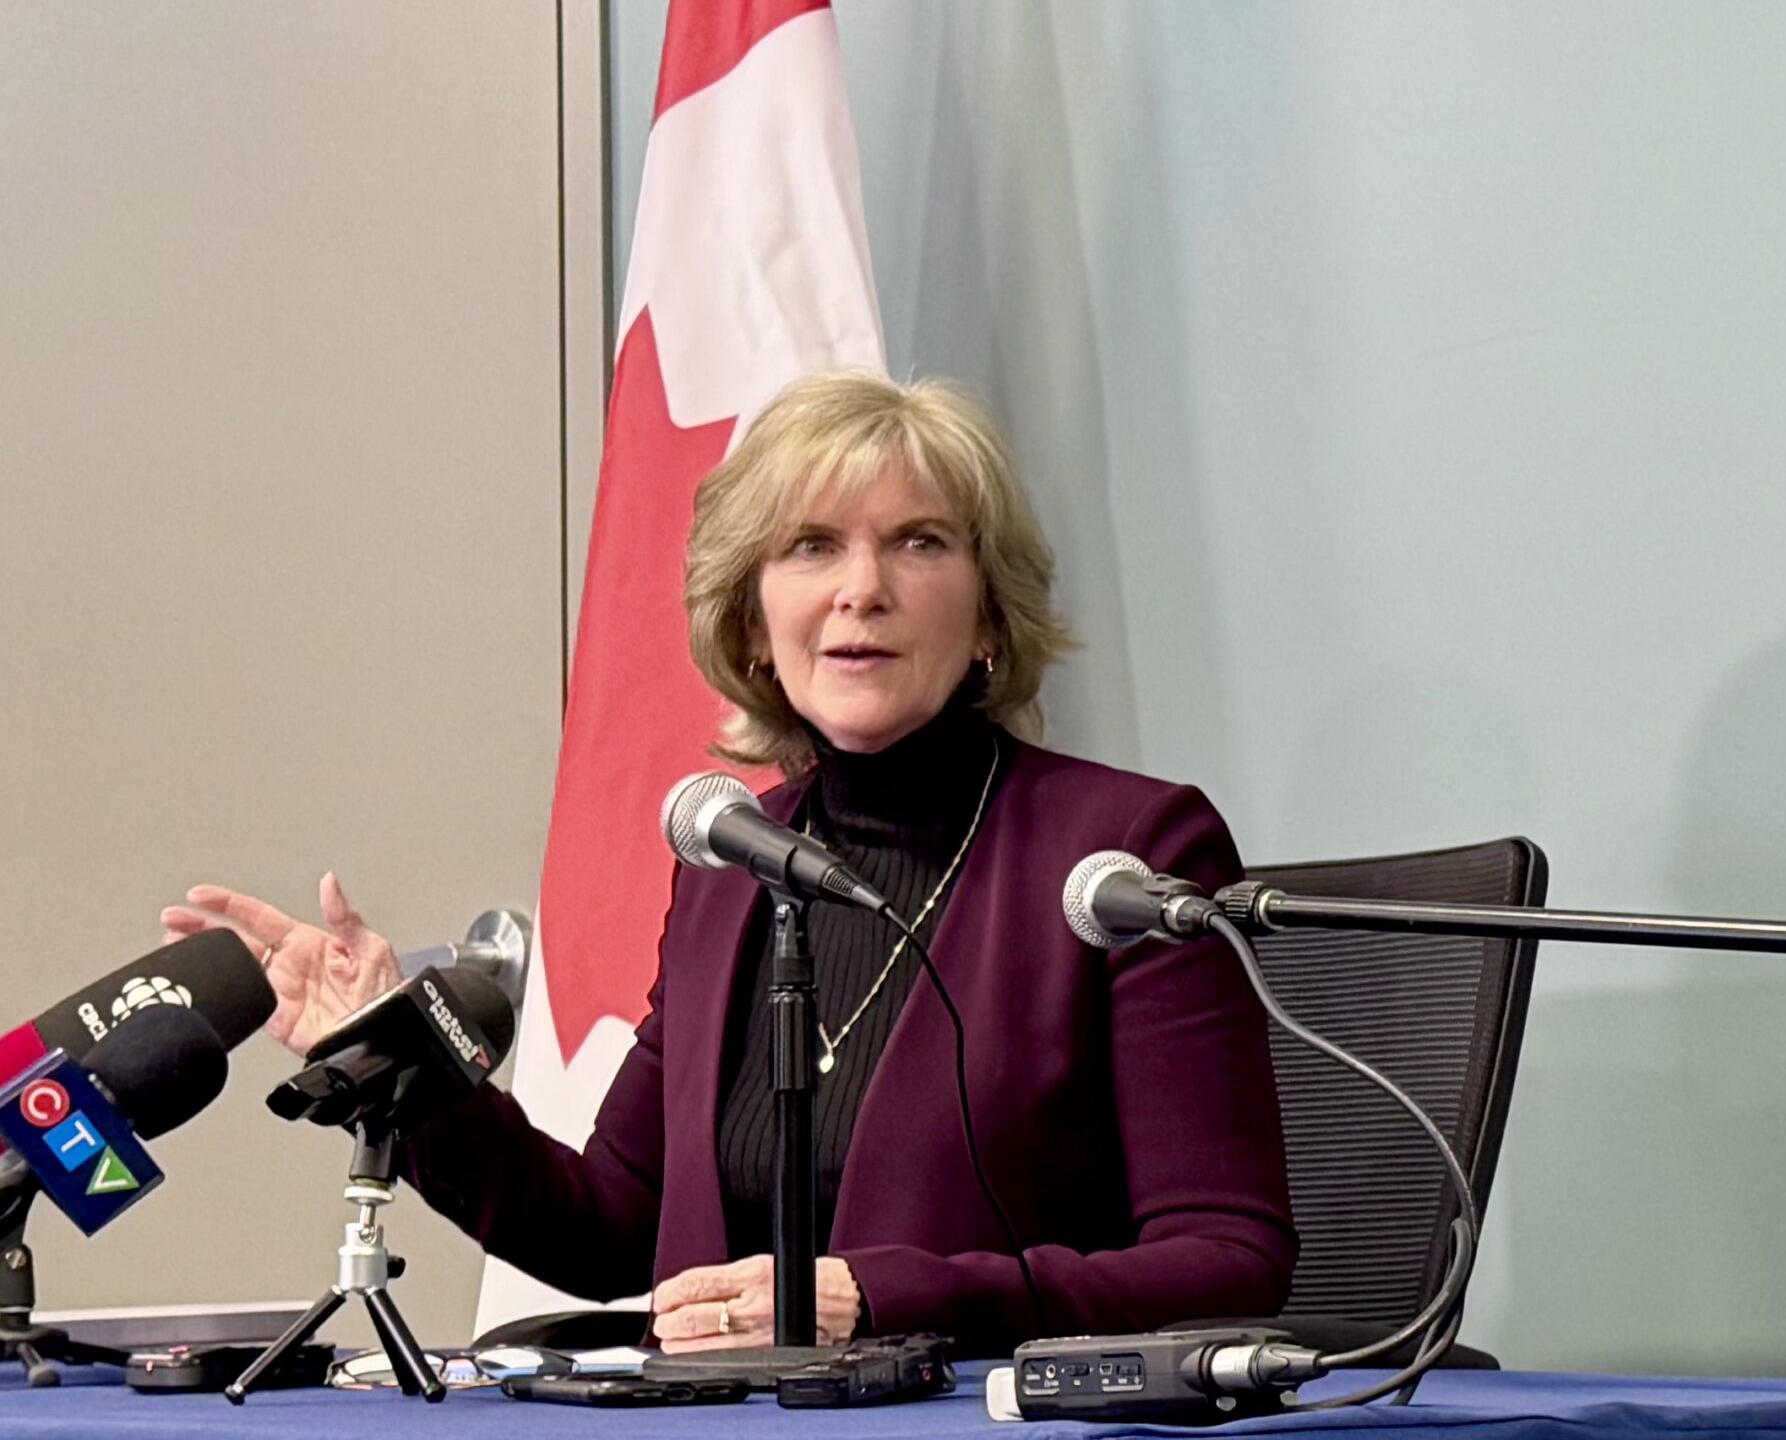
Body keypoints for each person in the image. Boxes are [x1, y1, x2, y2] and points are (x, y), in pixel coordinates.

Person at [161, 372, 1295, 1357]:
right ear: (754, 623)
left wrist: (887, 1295)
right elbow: (612, 1225)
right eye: (811, 546)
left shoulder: (1121, 856)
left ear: (990, 613)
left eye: (919, 541)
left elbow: (1230, 1258)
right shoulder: (731, 865)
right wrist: (394, 1056)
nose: (862, 589)